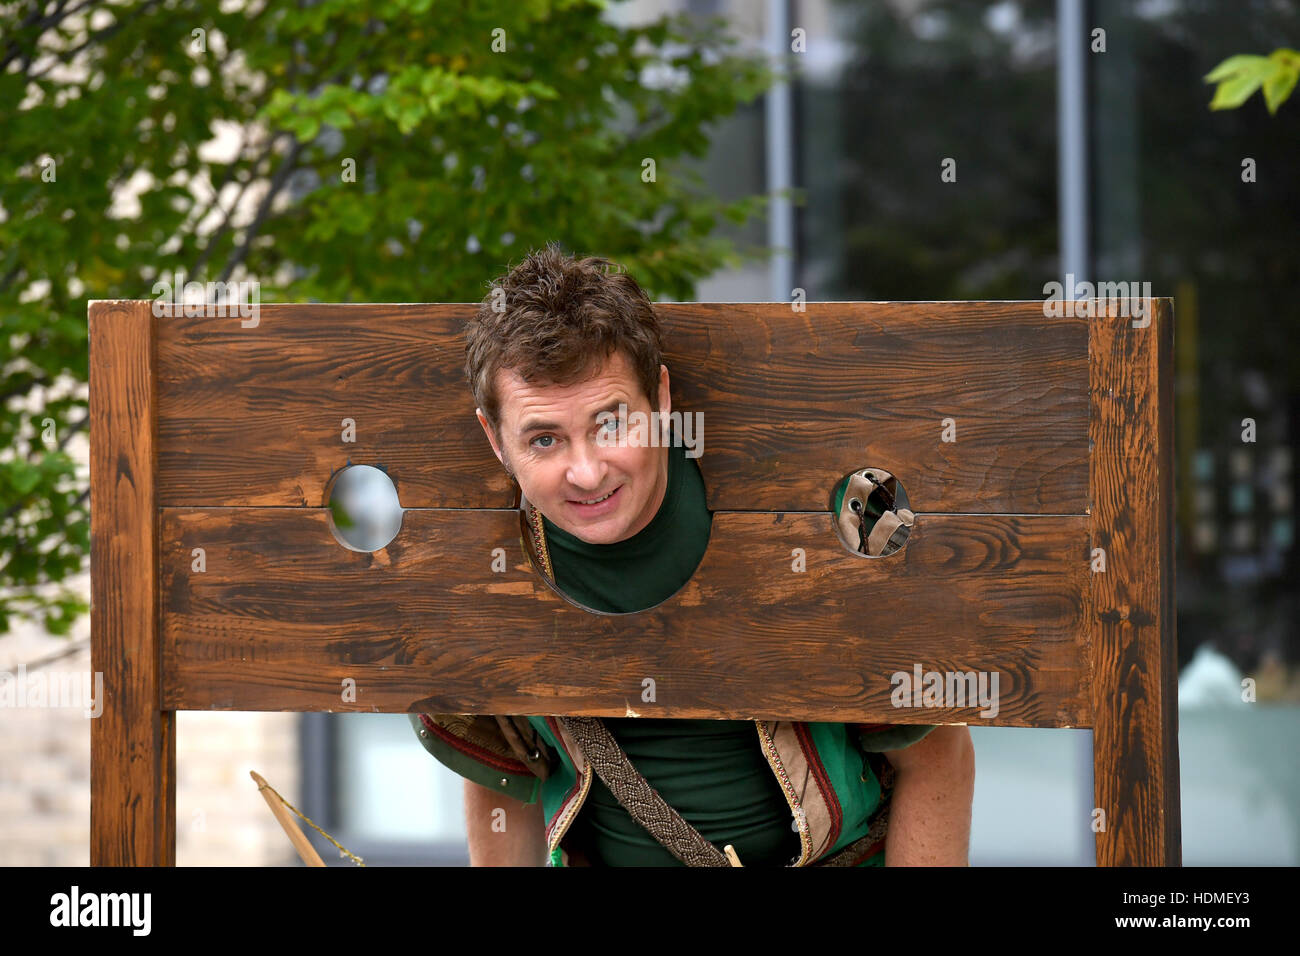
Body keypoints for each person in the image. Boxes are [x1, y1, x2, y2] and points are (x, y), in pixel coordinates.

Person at [410, 243, 975, 866]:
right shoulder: (476, 579)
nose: (587, 471)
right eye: (545, 439)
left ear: (661, 398)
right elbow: (506, 781)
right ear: (494, 443)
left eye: (611, 423)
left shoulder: (819, 519)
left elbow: (935, 755)